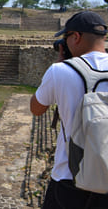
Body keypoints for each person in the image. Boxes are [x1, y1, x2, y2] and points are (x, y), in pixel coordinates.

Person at [30, 11, 108, 208]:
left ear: (76, 37)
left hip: (69, 177)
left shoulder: (61, 71)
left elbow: (36, 108)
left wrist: (59, 62)